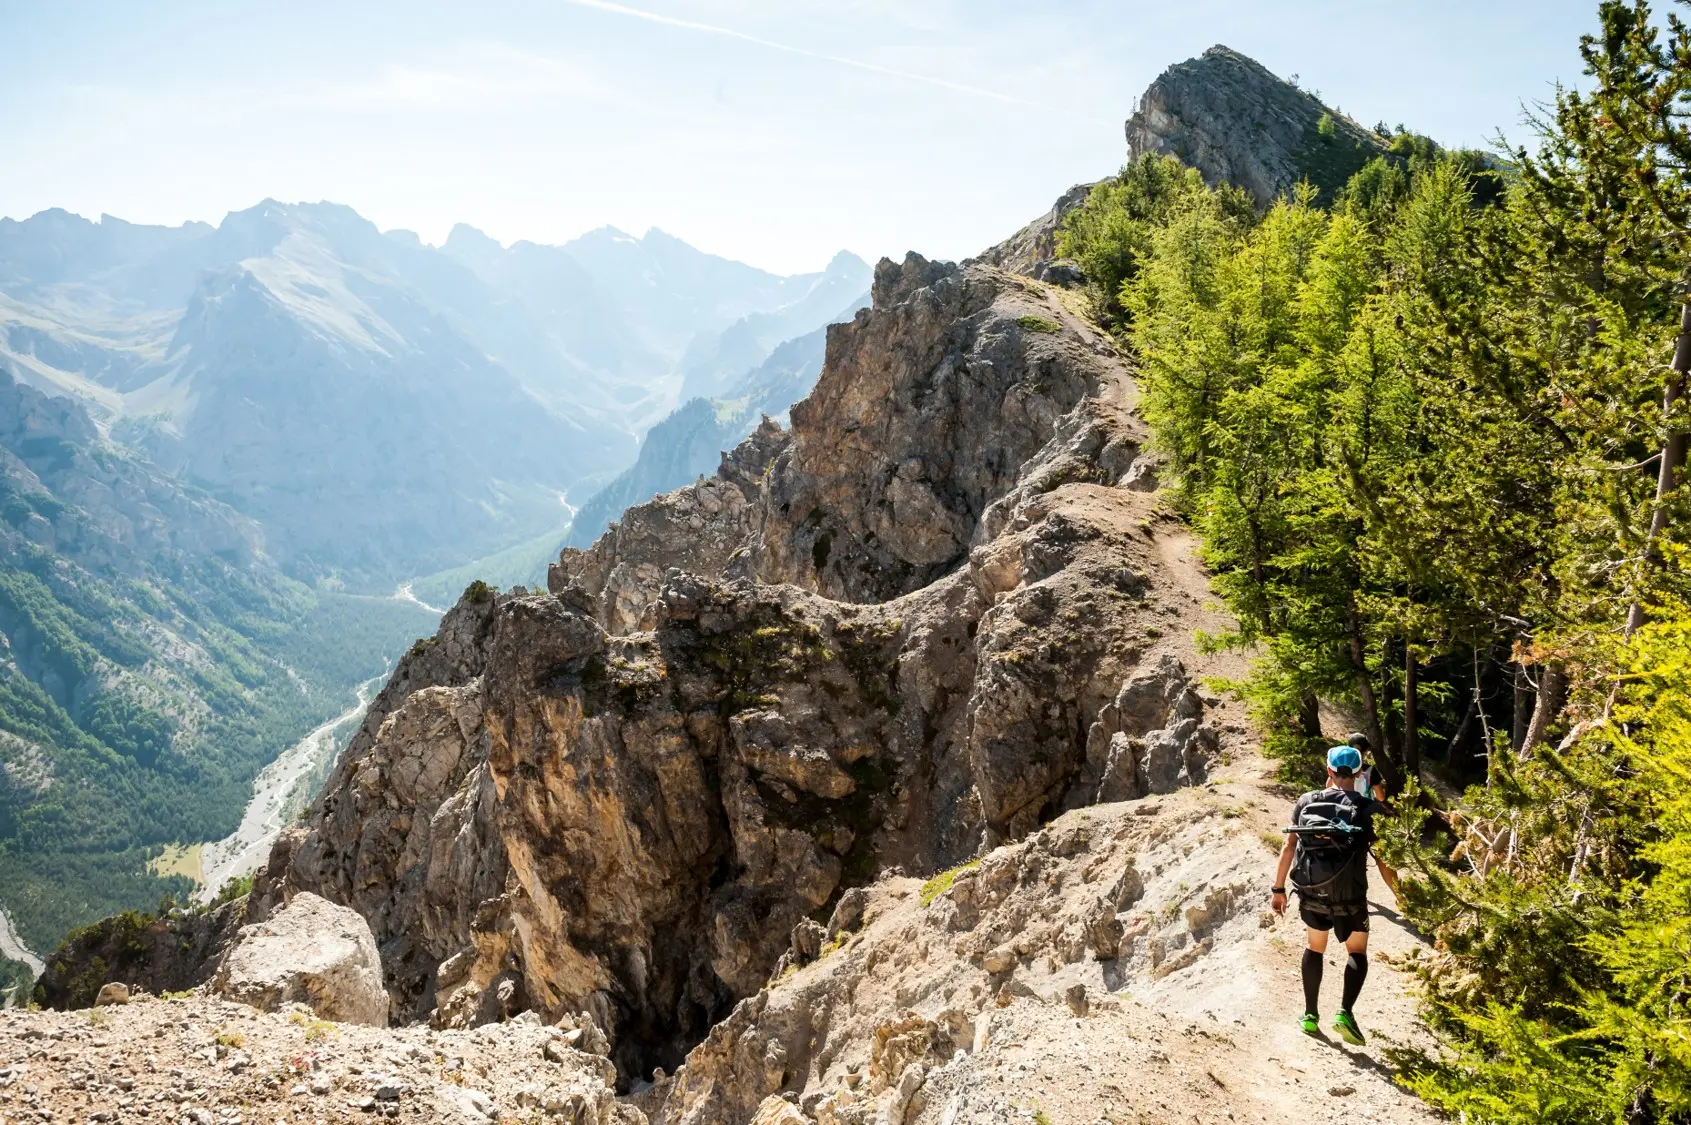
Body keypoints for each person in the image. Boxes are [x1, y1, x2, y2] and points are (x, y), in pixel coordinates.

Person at [1271, 745, 1400, 1044]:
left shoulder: (1306, 801)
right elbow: (1383, 859)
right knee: (1356, 952)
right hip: (1350, 896)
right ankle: (1344, 1013)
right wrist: (1399, 894)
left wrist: (1278, 890)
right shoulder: (1369, 809)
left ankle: (1310, 1015)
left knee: (1315, 948)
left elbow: (1288, 847)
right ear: (1359, 774)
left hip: (1313, 893)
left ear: (1328, 771)